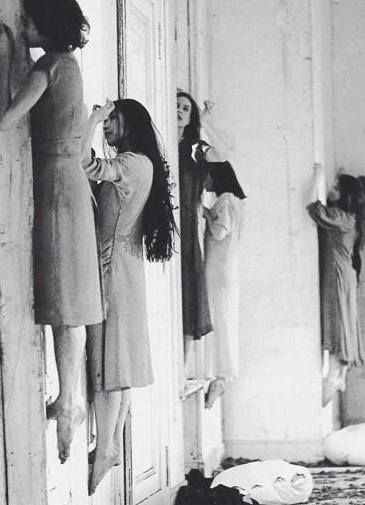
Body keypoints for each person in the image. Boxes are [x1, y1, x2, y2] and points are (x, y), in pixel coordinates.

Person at [0, 0, 102, 464]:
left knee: (63, 299)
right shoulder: (69, 65)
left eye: (29, 19)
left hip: (55, 186)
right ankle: (69, 398)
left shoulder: (48, 65)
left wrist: (5, 61)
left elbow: (5, 119)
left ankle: (69, 402)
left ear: (45, 24)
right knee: (71, 299)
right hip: (71, 183)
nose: (24, 24)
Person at [83, 98, 177, 493]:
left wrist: (90, 119)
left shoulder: (131, 163)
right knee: (116, 364)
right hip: (122, 267)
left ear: (130, 124)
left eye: (112, 119)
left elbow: (83, 162)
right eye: (106, 120)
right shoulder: (139, 162)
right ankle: (111, 445)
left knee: (109, 365)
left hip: (113, 270)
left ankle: (106, 446)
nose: (107, 126)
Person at [307, 166, 365, 405]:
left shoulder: (341, 218)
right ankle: (337, 377)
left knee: (339, 324)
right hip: (343, 273)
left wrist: (317, 176)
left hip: (339, 274)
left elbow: (313, 209)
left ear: (345, 194)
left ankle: (333, 379)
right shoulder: (349, 218)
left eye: (336, 188)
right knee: (343, 324)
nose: (332, 190)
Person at [177, 92, 230, 344]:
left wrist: (206, 122)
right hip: (162, 218)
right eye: (176, 106)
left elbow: (222, 154)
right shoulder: (158, 143)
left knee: (189, 291)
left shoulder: (194, 148)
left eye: (185, 108)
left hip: (187, 224)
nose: (179, 111)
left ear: (191, 118)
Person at [203, 161, 246, 407]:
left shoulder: (225, 200)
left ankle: (220, 376)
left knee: (218, 319)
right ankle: (220, 376)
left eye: (208, 176)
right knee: (224, 321)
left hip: (218, 269)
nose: (205, 181)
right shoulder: (236, 202)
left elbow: (219, 231)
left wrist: (205, 213)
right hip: (227, 267)